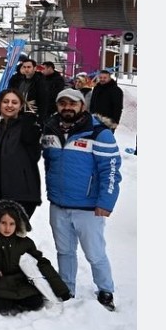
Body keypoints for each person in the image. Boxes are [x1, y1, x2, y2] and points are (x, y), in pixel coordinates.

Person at [42, 88, 122, 311]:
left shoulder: (98, 133)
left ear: (82, 106)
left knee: (95, 252)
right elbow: (49, 163)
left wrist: (106, 202)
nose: (67, 107)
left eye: (73, 103)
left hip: (88, 207)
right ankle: (67, 288)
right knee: (64, 251)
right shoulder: (50, 130)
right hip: (59, 204)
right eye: (62, 103)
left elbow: (112, 170)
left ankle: (105, 290)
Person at [0, 199, 72, 313]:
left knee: (35, 302)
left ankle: (17, 302)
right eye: (3, 223)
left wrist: (61, 290)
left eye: (11, 224)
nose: (7, 228)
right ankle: (8, 303)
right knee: (0, 305)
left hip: (20, 283)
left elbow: (42, 264)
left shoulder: (25, 243)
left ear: (18, 224)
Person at [0, 88, 43, 219]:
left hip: (21, 195)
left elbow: (34, 153)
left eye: (14, 102)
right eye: (5, 101)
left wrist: (30, 120)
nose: (9, 105)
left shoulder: (26, 127)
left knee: (13, 236)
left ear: (21, 106)